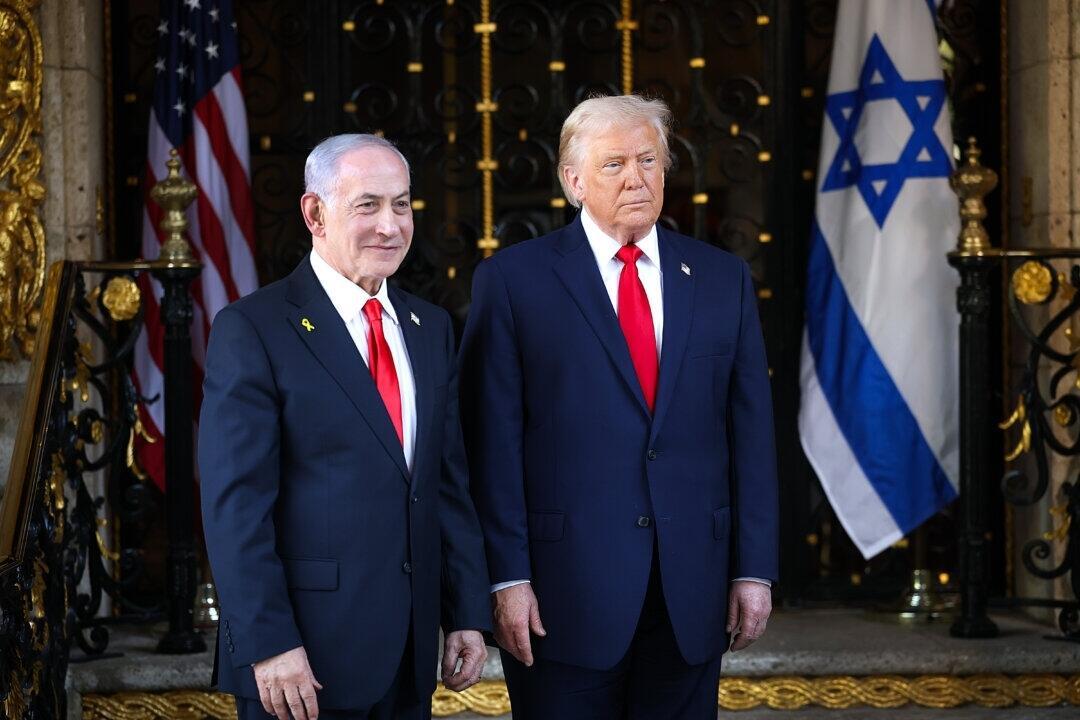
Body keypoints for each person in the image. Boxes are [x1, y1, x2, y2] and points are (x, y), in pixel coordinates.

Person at [459, 95, 779, 719]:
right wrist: (506, 578)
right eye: (614, 164)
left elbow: (751, 434)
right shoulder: (513, 281)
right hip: (560, 596)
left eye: (649, 160)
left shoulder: (722, 278)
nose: (636, 178)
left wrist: (755, 569)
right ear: (573, 181)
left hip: (691, 591)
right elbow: (489, 443)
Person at [199, 134, 491, 720]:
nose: (390, 225)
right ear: (315, 214)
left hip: (410, 657)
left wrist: (465, 612)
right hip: (301, 662)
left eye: (402, 205)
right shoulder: (253, 328)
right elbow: (236, 507)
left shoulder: (430, 326)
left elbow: (446, 483)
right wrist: (268, 643)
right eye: (368, 205)